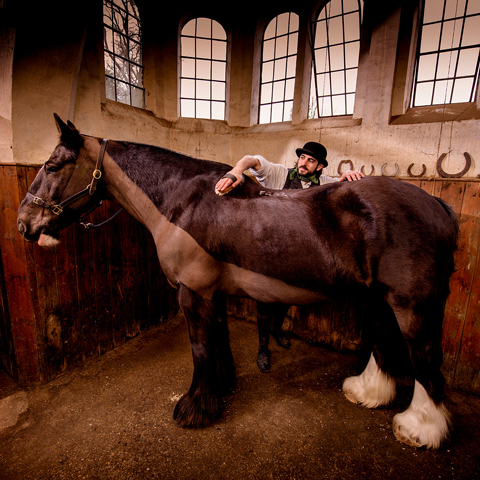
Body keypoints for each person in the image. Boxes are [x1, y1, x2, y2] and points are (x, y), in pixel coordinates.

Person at [215, 142, 364, 372]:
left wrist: (346, 176)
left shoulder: (325, 184)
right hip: (269, 249)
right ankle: (263, 348)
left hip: (297, 252)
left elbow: (345, 186)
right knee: (265, 300)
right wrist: (236, 171)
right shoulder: (278, 174)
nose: (303, 163)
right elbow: (250, 159)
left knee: (287, 296)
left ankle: (277, 329)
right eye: (302, 157)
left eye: (311, 160)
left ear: (320, 166)